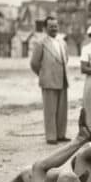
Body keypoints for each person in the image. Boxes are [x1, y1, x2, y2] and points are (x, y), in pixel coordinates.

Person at [30, 16, 70, 145]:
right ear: (45, 28)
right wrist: (43, 74)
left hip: (63, 79)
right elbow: (34, 63)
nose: (54, 29)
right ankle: (51, 136)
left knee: (62, 110)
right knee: (50, 110)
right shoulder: (41, 43)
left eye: (55, 26)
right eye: (51, 26)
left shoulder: (62, 42)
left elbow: (66, 59)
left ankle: (61, 134)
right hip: (48, 80)